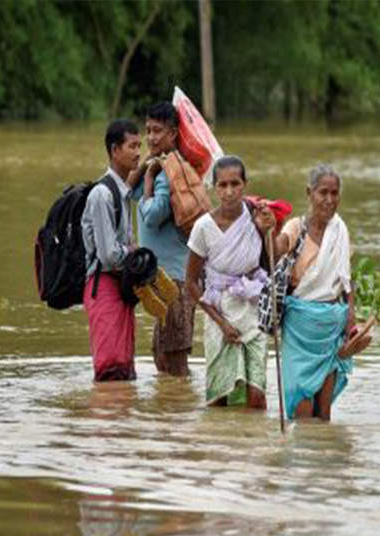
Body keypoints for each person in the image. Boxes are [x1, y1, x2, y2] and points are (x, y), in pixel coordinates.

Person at [268, 164, 366, 421]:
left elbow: (346, 279)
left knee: (323, 415)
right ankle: (304, 457)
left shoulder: (340, 230)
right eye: (323, 192)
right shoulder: (296, 228)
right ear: (309, 193)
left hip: (331, 329)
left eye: (335, 193)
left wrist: (351, 317)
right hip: (300, 329)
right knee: (301, 405)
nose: (329, 200)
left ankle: (322, 456)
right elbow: (277, 248)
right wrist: (268, 228)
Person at [185, 156, 276, 408]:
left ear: (245, 184)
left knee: (256, 396)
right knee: (219, 395)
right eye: (222, 185)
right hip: (219, 311)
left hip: (252, 310)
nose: (229, 192)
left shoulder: (257, 218)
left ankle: (253, 443)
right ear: (214, 188)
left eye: (235, 184)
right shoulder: (203, 228)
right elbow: (191, 284)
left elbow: (270, 266)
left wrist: (268, 230)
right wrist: (221, 323)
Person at [128, 102, 195, 376]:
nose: (151, 138)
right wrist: (146, 165)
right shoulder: (158, 167)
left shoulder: (169, 172)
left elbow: (153, 214)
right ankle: (169, 414)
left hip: (176, 281)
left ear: (173, 133)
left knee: (174, 363)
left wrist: (149, 180)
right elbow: (127, 191)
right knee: (162, 358)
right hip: (165, 281)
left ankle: (180, 414)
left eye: (158, 131)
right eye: (148, 131)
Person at [81, 119, 141, 381]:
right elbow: (108, 255)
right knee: (109, 368)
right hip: (103, 285)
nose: (139, 152)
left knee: (124, 370)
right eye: (132, 146)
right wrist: (133, 251)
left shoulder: (123, 192)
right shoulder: (102, 195)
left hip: (120, 287)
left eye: (140, 146)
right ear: (115, 150)